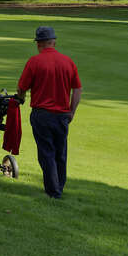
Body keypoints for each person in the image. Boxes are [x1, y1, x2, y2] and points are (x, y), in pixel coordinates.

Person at [17, 26, 82, 199]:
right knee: (60, 153)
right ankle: (58, 187)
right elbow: (77, 89)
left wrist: (21, 98)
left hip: (42, 114)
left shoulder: (35, 62)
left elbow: (22, 87)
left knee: (46, 152)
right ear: (54, 42)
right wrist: (72, 111)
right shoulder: (68, 62)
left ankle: (53, 191)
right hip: (62, 115)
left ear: (39, 43)